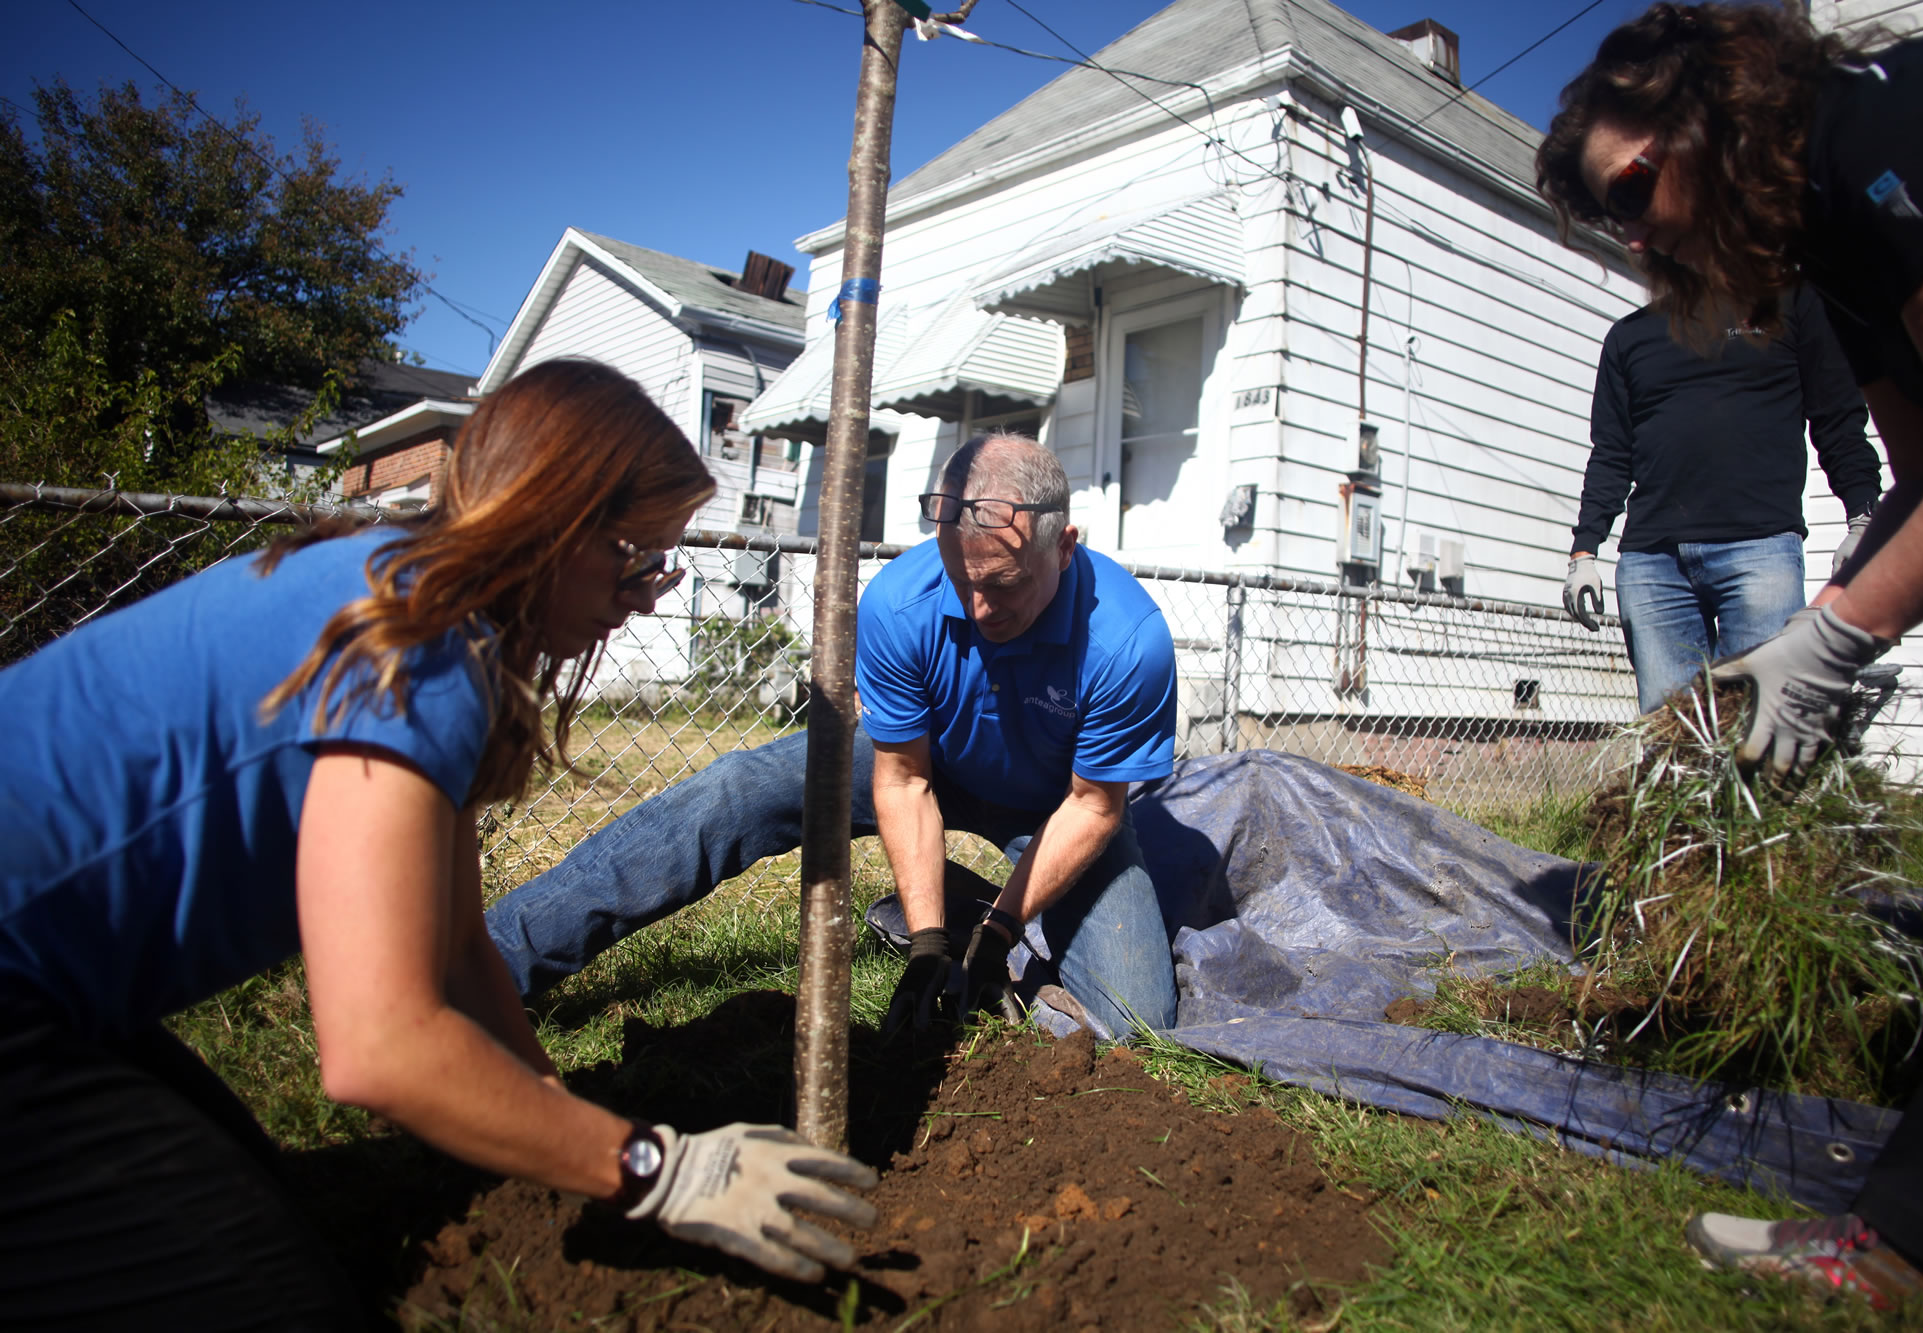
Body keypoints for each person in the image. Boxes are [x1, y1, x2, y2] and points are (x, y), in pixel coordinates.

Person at [0, 360, 878, 1326]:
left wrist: (554, 1120)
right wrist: (657, 1168)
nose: (650, 594)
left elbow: (461, 947)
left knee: (257, 1201)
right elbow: (378, 1050)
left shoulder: (412, 590)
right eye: (635, 555)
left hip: (55, 984)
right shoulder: (421, 643)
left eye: (664, 563)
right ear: (553, 513)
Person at [1538, 1, 1923, 1314]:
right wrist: (1832, 628)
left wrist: (1833, 631)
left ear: (1709, 106)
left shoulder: (1887, 129)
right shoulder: (1821, 253)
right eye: (1612, 222)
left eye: (1633, 187)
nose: (1639, 235)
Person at [485, 431, 1181, 1041]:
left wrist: (999, 937)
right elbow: (903, 779)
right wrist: (930, 947)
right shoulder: (900, 603)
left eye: (1002, 584)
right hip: (925, 759)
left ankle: (987, 912)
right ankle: (493, 958)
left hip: (1056, 804)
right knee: (737, 790)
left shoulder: (1127, 639)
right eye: (960, 579)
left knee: (1137, 1019)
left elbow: (1095, 805)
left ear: (1063, 548)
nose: (977, 608)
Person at [1561, 284, 1880, 714]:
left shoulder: (1787, 307)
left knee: (1758, 723)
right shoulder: (1630, 336)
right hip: (1653, 564)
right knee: (1670, 737)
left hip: (1758, 549)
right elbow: (1612, 453)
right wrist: (1584, 550)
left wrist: (1862, 518)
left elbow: (1837, 418)